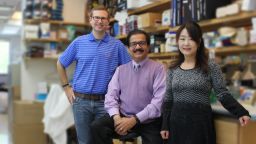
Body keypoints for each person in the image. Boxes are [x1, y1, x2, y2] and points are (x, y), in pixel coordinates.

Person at [160, 21, 251, 144]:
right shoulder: (172, 69)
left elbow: (222, 93)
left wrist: (241, 112)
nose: (186, 43)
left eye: (191, 39)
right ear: (177, 42)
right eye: (182, 39)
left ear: (199, 42)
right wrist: (165, 125)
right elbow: (168, 98)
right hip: (176, 125)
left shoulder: (211, 66)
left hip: (200, 125)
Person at [56, 6, 131, 144]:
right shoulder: (79, 42)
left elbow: (130, 70)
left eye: (103, 18)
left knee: (104, 140)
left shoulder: (117, 45)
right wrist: (66, 87)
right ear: (90, 20)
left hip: (106, 103)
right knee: (85, 141)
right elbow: (60, 63)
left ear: (108, 22)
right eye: (96, 17)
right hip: (80, 102)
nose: (100, 21)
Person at [91, 29, 166, 144]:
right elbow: (111, 97)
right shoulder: (121, 70)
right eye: (133, 44)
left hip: (149, 121)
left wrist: (134, 120)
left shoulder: (159, 69)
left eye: (141, 43)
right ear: (128, 48)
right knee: (97, 127)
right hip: (123, 116)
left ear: (148, 46)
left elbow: (158, 103)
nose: (137, 47)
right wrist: (117, 118)